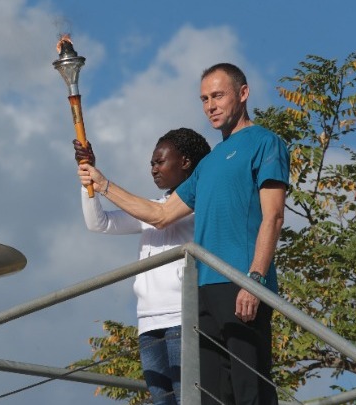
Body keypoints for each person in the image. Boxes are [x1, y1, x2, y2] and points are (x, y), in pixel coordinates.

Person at [76, 63, 289, 404]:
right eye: (204, 99)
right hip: (201, 292)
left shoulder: (266, 143)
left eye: (218, 95)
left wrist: (255, 278)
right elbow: (160, 214)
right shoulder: (208, 164)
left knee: (251, 391)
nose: (210, 106)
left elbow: (273, 216)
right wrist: (102, 184)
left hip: (243, 282)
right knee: (209, 395)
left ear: (243, 94)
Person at [74, 128, 210, 405]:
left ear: (185, 162)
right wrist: (88, 179)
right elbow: (99, 223)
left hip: (181, 317)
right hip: (148, 319)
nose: (154, 169)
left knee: (189, 398)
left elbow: (160, 217)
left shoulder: (200, 203)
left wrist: (105, 184)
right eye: (151, 163)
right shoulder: (154, 207)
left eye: (160, 162)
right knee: (163, 400)